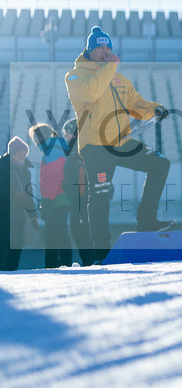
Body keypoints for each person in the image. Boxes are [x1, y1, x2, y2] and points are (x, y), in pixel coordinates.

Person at [65, 26, 173, 261]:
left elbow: (136, 104)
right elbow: (92, 92)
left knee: (160, 164)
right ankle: (101, 251)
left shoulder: (119, 79)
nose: (105, 52)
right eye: (101, 48)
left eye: (108, 48)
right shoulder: (75, 76)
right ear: (90, 50)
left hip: (122, 141)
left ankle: (147, 221)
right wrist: (111, 66)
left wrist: (155, 108)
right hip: (95, 145)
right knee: (100, 194)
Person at [28, 123, 72, 268]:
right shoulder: (55, 147)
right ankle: (60, 264)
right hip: (58, 198)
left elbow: (54, 177)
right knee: (57, 233)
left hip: (57, 199)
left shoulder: (52, 150)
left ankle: (54, 265)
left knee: (54, 234)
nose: (35, 142)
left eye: (35, 138)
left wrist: (48, 200)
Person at [62, 118, 97, 266]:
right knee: (78, 234)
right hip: (77, 201)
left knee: (82, 234)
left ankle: (91, 262)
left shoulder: (81, 152)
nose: (65, 136)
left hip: (82, 201)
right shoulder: (73, 152)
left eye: (67, 133)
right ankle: (89, 261)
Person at [1, 137, 39, 271]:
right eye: (19, 154)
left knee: (16, 246)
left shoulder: (25, 172)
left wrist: (33, 215)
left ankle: (12, 273)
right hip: (4, 214)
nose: (22, 157)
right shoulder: (2, 168)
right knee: (3, 244)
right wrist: (14, 196)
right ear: (12, 153)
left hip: (19, 215)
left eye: (24, 154)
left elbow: (29, 196)